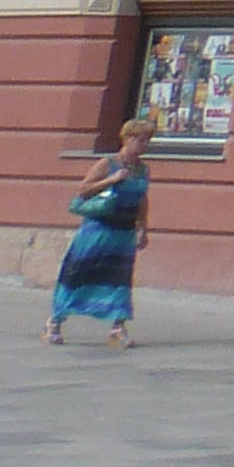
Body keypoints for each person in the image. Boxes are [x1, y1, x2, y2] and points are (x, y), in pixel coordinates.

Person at [47, 115, 154, 349]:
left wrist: (143, 228)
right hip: (98, 230)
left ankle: (117, 328)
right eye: (141, 140)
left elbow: (143, 199)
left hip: (123, 233)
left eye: (148, 140)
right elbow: (84, 190)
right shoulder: (108, 163)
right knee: (79, 274)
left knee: (119, 279)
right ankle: (55, 321)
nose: (145, 145)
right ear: (127, 139)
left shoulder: (143, 170)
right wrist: (112, 180)